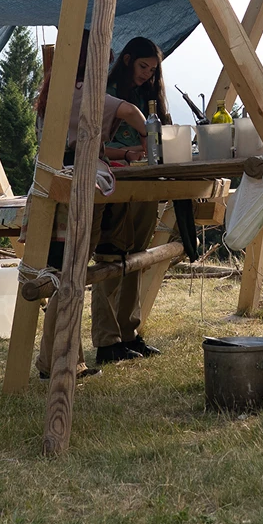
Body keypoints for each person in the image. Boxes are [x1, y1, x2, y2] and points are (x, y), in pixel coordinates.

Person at [32, 31, 147, 378]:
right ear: (89, 59)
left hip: (51, 182)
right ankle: (63, 361)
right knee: (71, 275)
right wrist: (150, 136)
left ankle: (50, 361)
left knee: (63, 274)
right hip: (77, 184)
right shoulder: (84, 91)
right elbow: (130, 111)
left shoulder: (53, 89)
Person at [91, 37, 170, 364]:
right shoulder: (102, 93)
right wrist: (126, 152)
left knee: (136, 258)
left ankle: (129, 334)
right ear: (126, 61)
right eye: (142, 67)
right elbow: (88, 146)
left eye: (152, 71)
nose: (147, 75)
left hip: (143, 184)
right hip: (111, 184)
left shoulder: (148, 97)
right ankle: (106, 342)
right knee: (111, 257)